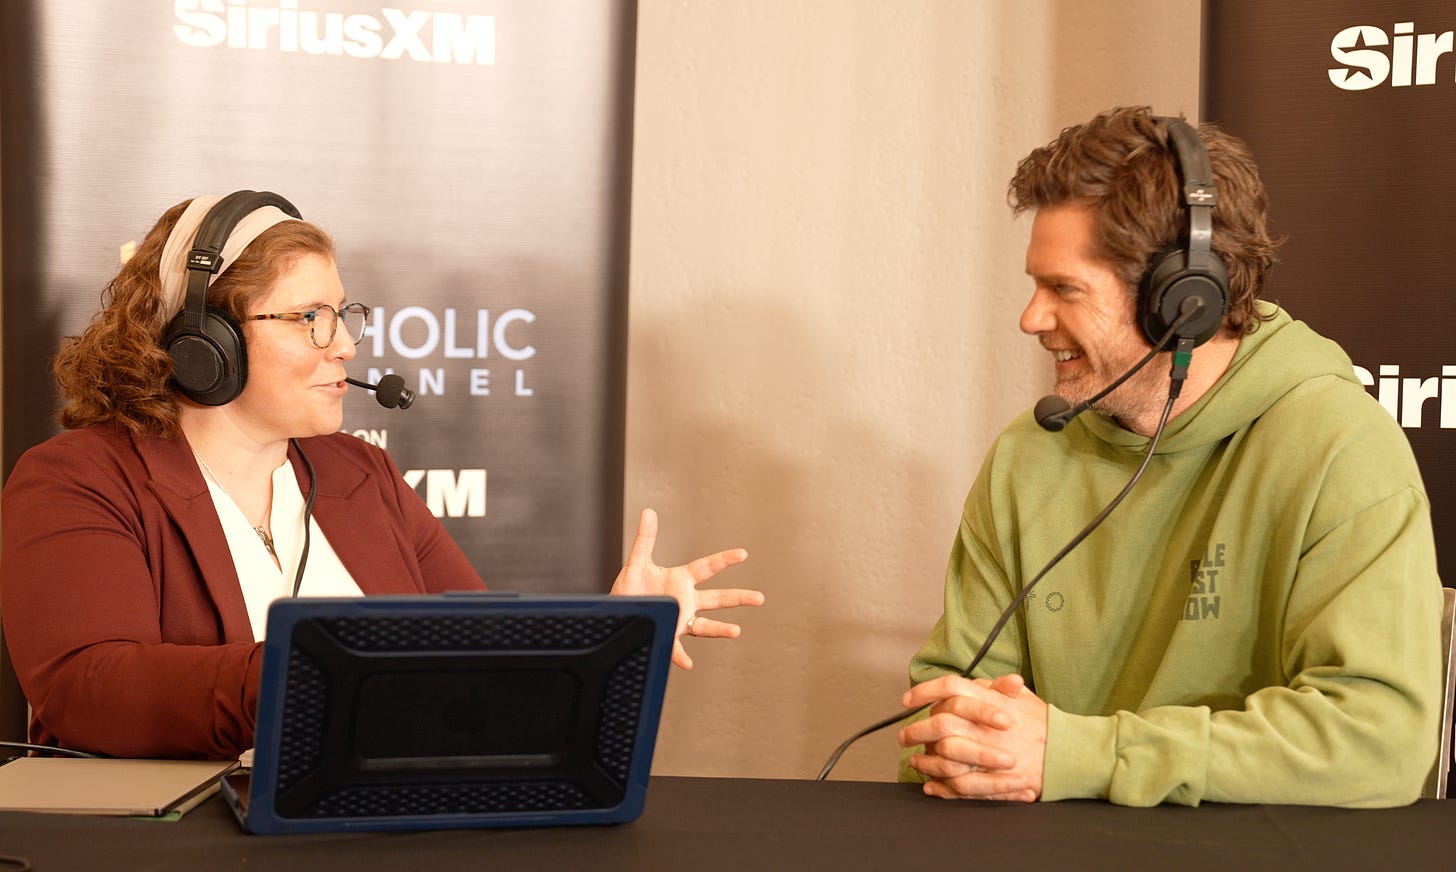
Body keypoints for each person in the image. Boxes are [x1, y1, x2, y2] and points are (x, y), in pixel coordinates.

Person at [0, 192, 763, 760]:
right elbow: (87, 691)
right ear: (204, 341)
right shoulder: (79, 478)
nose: (345, 347)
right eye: (310, 318)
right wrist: (333, 669)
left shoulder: (358, 471)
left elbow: (477, 659)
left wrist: (615, 633)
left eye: (343, 314)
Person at [896, 107, 1443, 807]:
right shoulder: (1028, 455)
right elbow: (948, 709)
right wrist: (960, 746)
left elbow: (1379, 742)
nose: (1031, 319)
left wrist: (1082, 755)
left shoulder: (1340, 448)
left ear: (1183, 299)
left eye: (1064, 288)